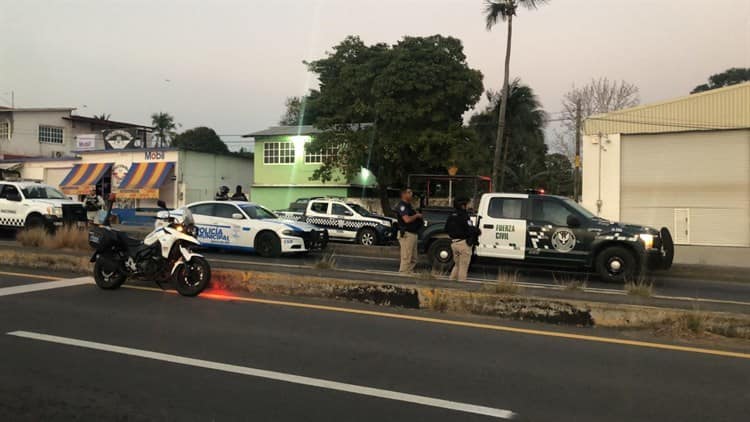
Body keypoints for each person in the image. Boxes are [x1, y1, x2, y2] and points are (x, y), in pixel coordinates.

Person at [445, 198, 479, 282]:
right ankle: (461, 286)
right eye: (467, 204)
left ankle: (451, 283)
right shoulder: (464, 216)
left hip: (454, 243)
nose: (468, 206)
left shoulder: (451, 216)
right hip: (463, 244)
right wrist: (477, 231)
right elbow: (470, 228)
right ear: (463, 206)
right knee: (463, 267)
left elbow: (446, 228)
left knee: (457, 265)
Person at [395, 187, 423, 274]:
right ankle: (403, 276)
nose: (411, 194)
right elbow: (406, 219)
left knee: (413, 259)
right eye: (409, 192)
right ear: (403, 194)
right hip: (407, 234)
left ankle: (409, 274)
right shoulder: (402, 206)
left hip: (413, 233)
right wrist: (416, 216)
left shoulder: (409, 205)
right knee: (406, 258)